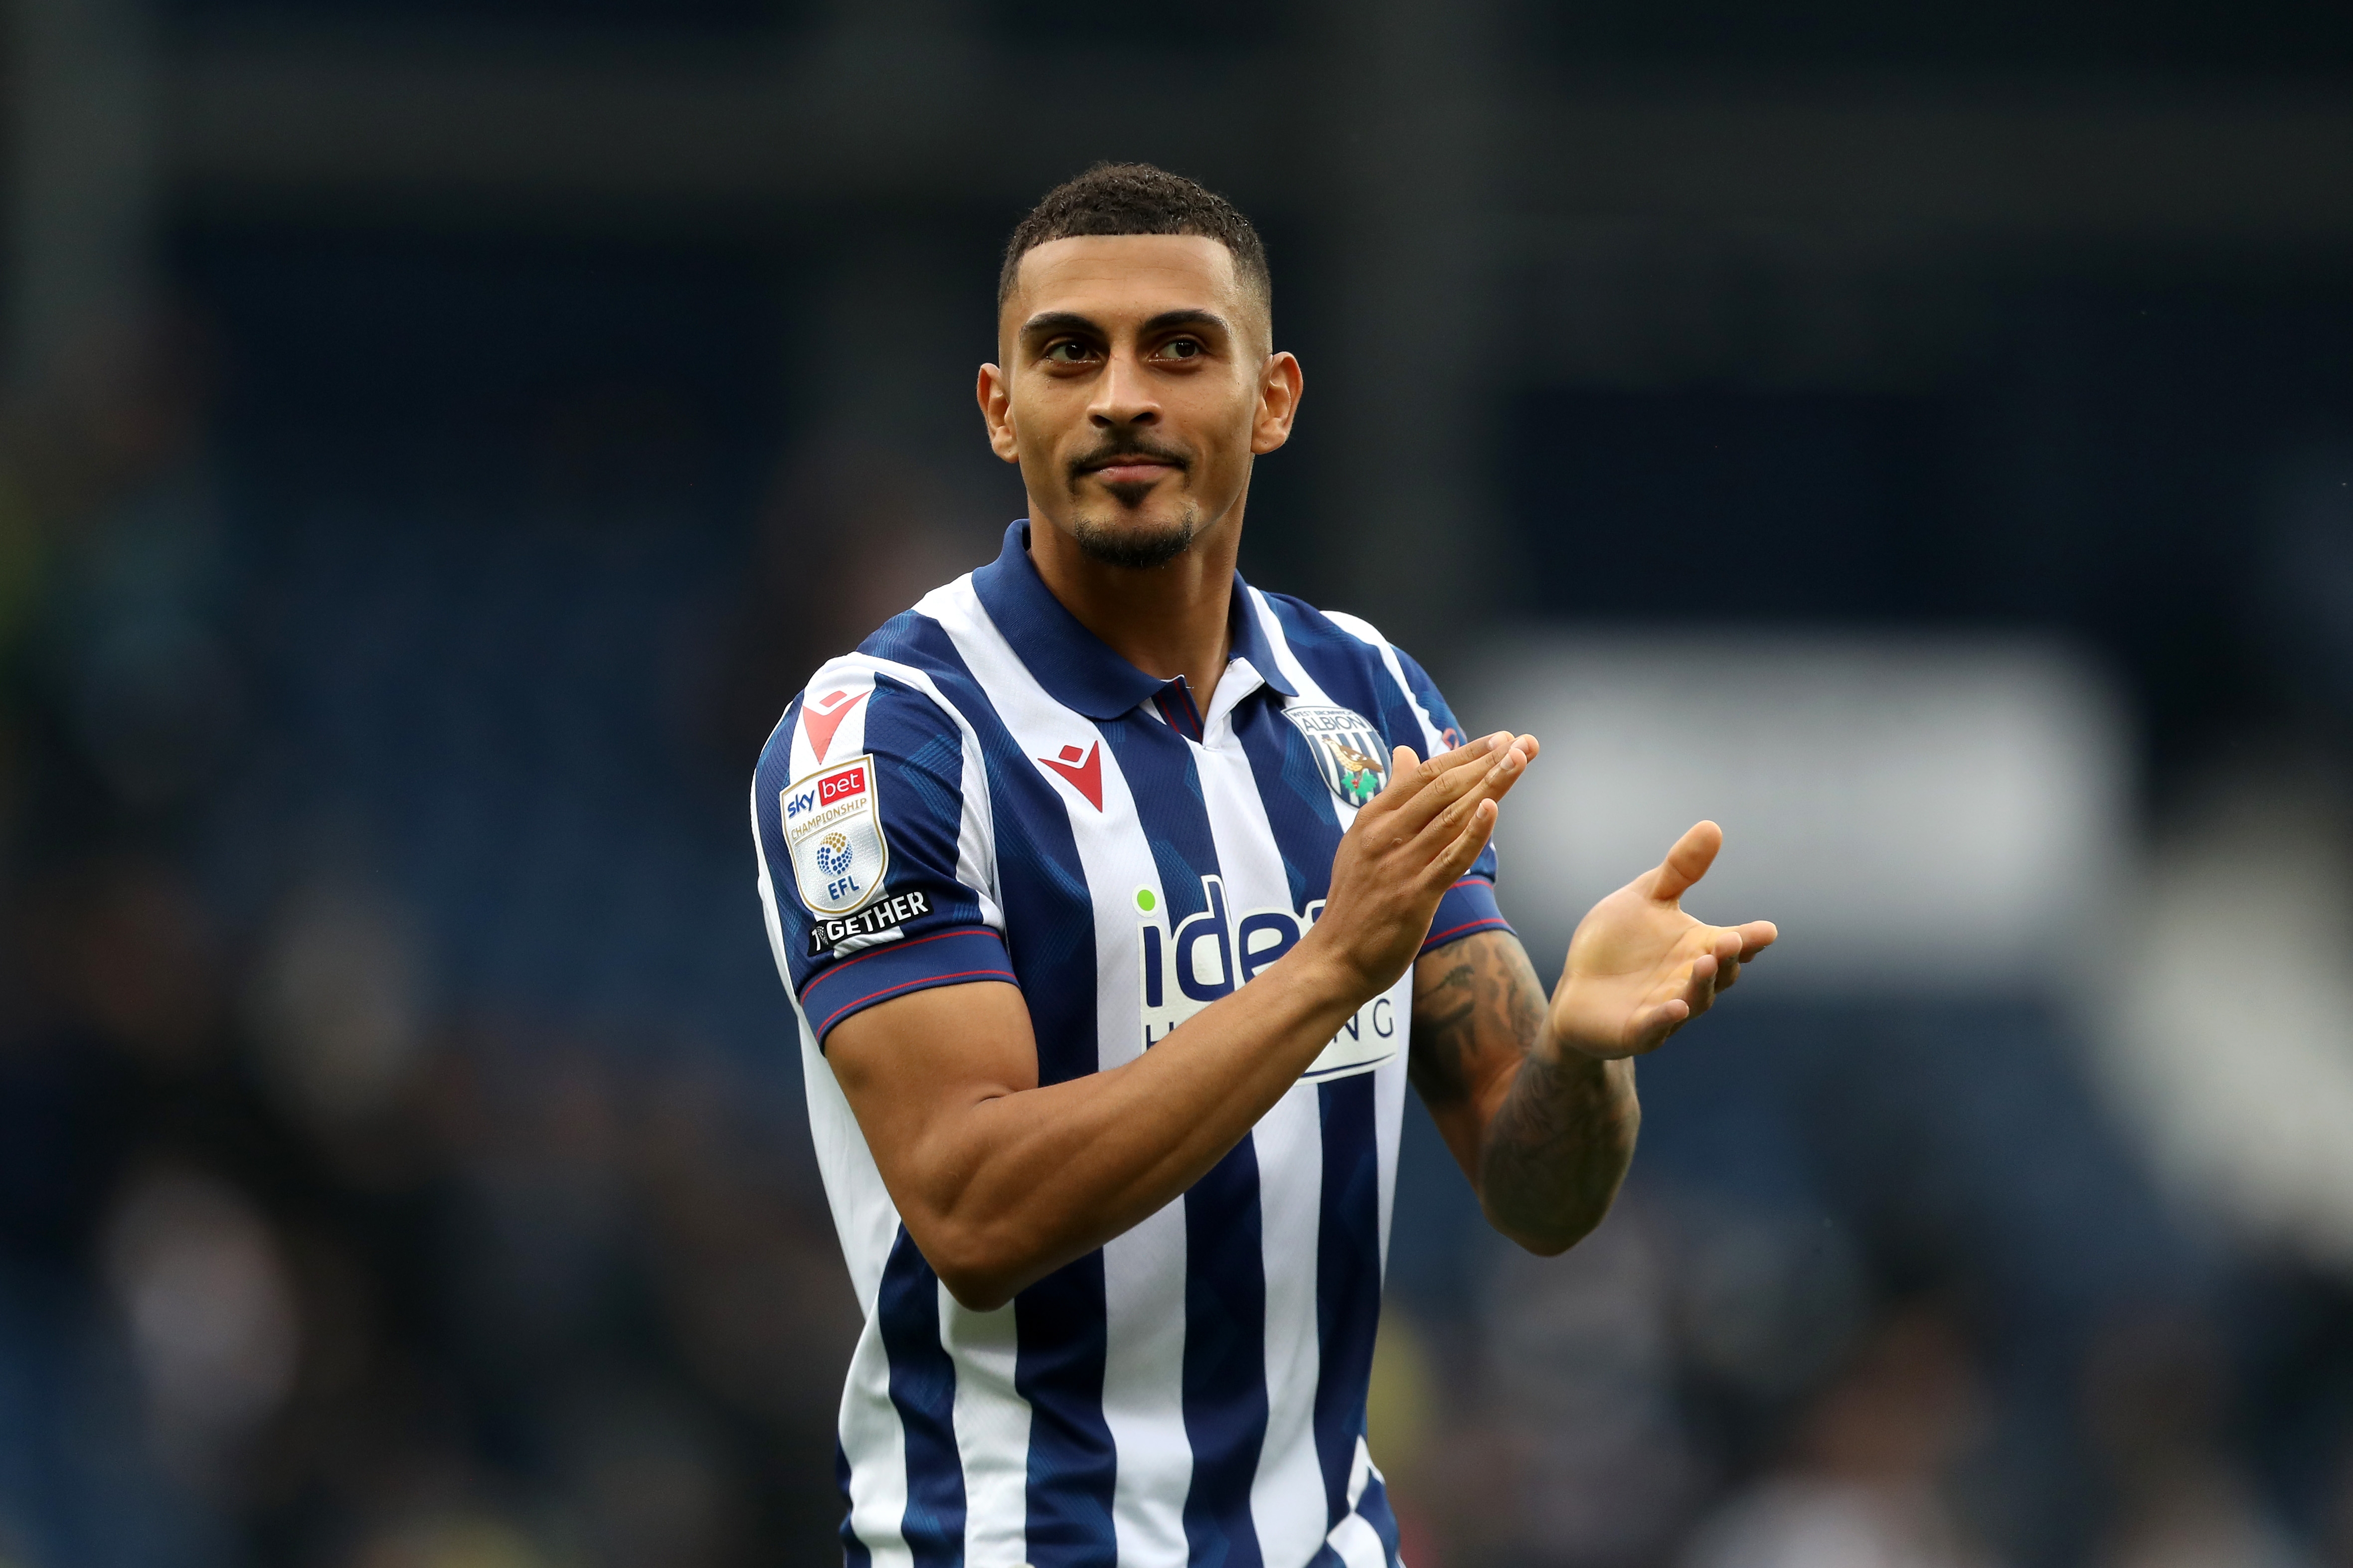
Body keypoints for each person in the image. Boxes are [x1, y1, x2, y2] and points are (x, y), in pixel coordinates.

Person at [749, 161, 1777, 1567]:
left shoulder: (1369, 703)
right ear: (1002, 411)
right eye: (1069, 353)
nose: (1123, 394)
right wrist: (1331, 968)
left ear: (1274, 399)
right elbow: (971, 1208)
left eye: (1180, 346)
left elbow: (1540, 1198)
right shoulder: (883, 735)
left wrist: (1587, 1058)